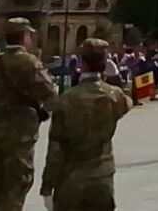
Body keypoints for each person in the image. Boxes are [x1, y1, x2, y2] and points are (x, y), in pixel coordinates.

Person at [40, 40, 132, 211]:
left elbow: (56, 148)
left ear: (82, 64)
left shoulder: (67, 99)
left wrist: (47, 185)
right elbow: (129, 100)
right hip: (102, 177)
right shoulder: (115, 95)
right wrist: (116, 77)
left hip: (72, 178)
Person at [0, 18, 58, 211]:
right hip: (22, 129)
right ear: (25, 36)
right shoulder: (29, 62)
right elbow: (51, 93)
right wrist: (44, 113)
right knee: (16, 182)